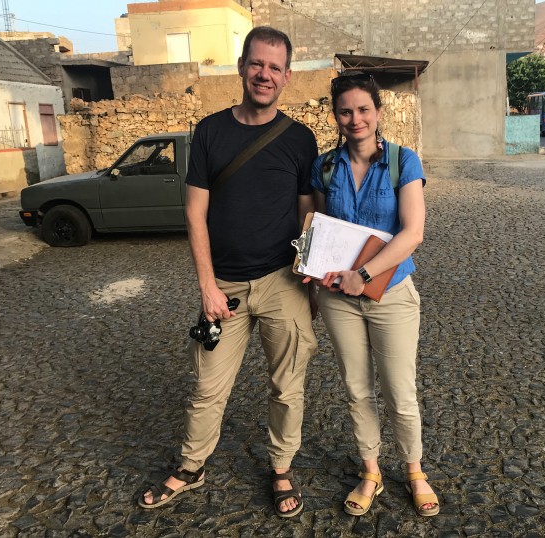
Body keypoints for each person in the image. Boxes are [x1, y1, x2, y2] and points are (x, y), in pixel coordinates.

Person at [138, 26, 318, 518]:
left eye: (275, 68)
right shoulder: (211, 132)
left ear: (286, 77)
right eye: (257, 64)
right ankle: (192, 466)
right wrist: (207, 287)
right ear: (242, 66)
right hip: (226, 288)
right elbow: (195, 214)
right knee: (207, 387)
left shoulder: (301, 140)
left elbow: (309, 216)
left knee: (287, 387)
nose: (265, 75)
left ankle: (281, 467)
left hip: (284, 282)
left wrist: (313, 279)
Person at [307, 73, 439, 517]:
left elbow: (413, 232)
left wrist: (363, 273)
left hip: (392, 293)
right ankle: (371, 470)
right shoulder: (325, 167)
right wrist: (312, 272)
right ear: (336, 116)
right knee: (356, 389)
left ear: (378, 113)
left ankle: (415, 470)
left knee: (400, 390)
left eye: (363, 109)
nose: (355, 118)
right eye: (345, 111)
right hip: (339, 299)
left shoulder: (404, 162)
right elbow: (318, 229)